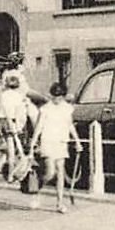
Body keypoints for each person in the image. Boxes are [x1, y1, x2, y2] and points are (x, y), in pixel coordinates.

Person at [31, 81, 80, 213]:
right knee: (50, 172)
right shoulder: (45, 109)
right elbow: (39, 127)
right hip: (47, 141)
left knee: (60, 173)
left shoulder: (67, 108)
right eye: (55, 96)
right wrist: (33, 144)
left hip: (61, 142)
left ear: (63, 96)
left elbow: (70, 125)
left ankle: (59, 203)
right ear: (51, 96)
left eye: (60, 97)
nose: (57, 99)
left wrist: (77, 141)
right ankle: (36, 192)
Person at [0, 71, 36, 183]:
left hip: (1, 122)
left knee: (7, 148)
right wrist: (17, 127)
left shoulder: (3, 95)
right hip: (11, 123)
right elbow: (17, 113)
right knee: (12, 151)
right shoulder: (18, 97)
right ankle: (11, 175)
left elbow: (1, 110)